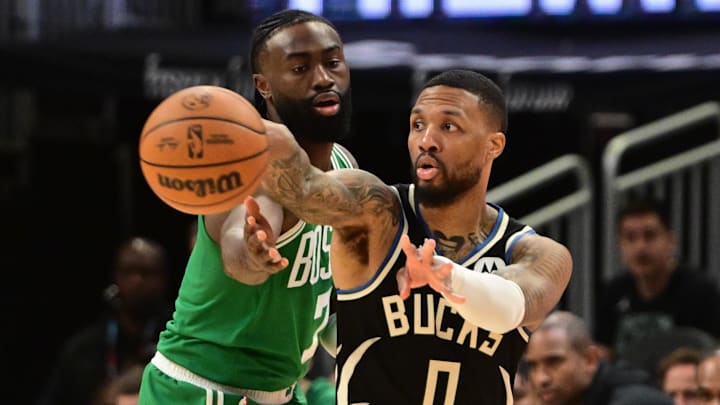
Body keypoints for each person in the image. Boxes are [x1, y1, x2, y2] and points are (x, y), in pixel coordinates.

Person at [254, 68, 573, 404]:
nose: (426, 140)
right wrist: (253, 134)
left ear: (493, 145)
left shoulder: (538, 253)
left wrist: (448, 278)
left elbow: (511, 307)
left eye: (448, 126)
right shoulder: (374, 211)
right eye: (418, 125)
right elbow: (307, 189)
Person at [138, 9, 356, 405]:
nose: (323, 78)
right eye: (300, 68)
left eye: (332, 62)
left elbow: (326, 300)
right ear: (264, 86)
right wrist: (253, 252)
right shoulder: (248, 168)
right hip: (202, 387)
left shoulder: (344, 165)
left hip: (278, 391)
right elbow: (239, 245)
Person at [38, 237, 171, 405]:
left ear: (164, 279)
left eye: (146, 272)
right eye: (128, 271)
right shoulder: (83, 349)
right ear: (115, 277)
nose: (137, 280)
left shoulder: (181, 338)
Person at [594, 197, 720, 360]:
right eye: (631, 237)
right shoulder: (612, 291)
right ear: (620, 245)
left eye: (650, 235)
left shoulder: (700, 292)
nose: (640, 247)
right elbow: (603, 351)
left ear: (671, 241)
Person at [523, 310, 673, 405]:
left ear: (590, 359)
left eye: (553, 362)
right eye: (533, 366)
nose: (541, 379)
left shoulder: (634, 400)